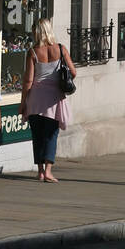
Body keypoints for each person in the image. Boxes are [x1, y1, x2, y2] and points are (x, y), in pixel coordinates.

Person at [20, 18, 76, 183]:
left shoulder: (33, 52)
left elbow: (28, 80)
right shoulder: (61, 49)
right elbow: (73, 72)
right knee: (51, 134)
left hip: (36, 98)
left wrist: (23, 103)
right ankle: (49, 171)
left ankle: (40, 171)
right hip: (54, 98)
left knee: (37, 135)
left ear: (37, 32)